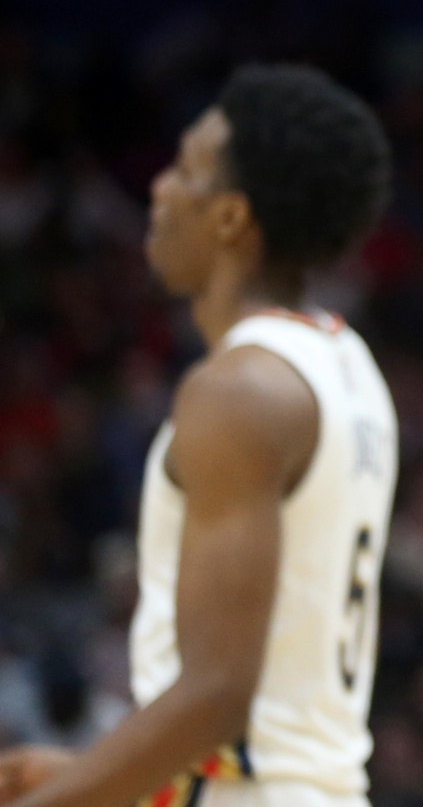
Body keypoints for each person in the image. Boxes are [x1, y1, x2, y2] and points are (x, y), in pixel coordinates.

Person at [0, 65, 398, 807]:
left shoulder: (239, 392)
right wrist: (89, 776)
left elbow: (217, 698)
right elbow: (268, 706)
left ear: (229, 219)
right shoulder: (346, 363)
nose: (160, 188)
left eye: (186, 169)